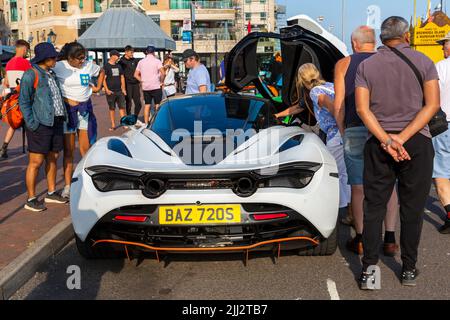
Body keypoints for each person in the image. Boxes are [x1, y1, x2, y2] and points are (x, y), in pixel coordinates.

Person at [355, 16, 440, 288]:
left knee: (374, 207)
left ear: (381, 38)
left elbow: (361, 109)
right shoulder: (425, 62)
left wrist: (386, 140)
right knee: (412, 209)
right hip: (416, 142)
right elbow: (432, 106)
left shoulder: (367, 66)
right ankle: (409, 269)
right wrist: (401, 138)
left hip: (379, 142)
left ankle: (369, 271)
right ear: (406, 36)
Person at [334, 26, 400, 257]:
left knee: (359, 186)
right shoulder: (389, 61)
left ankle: (361, 238)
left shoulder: (344, 64)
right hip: (386, 129)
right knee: (389, 183)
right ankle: (390, 238)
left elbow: (339, 104)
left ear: (354, 43)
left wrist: (343, 130)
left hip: (356, 127)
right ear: (373, 42)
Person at [275, 63, 351, 210]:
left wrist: (341, 130)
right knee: (345, 172)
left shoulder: (315, 92)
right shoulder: (329, 85)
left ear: (301, 79)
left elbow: (333, 105)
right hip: (344, 132)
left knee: (336, 173)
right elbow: (298, 107)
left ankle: (340, 207)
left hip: (336, 134)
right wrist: (279, 114)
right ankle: (348, 207)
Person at [19, 42, 68, 211]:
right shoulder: (30, 75)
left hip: (55, 121)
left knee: (53, 157)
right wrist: (32, 123)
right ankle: (31, 199)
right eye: (53, 57)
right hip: (40, 124)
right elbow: (24, 102)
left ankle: (51, 192)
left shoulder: (51, 73)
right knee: (36, 161)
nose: (55, 59)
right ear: (45, 58)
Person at [53, 42, 105, 199]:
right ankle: (68, 186)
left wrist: (97, 87)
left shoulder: (89, 66)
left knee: (85, 149)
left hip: (84, 111)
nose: (82, 61)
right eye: (79, 59)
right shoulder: (59, 66)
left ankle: (87, 183)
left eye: (84, 58)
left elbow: (101, 71)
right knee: (68, 151)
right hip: (68, 113)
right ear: (70, 57)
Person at [0, 40, 31, 160]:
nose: (26, 52)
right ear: (23, 49)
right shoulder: (26, 63)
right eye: (26, 50)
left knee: (14, 123)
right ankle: (33, 146)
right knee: (29, 121)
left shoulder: (9, 63)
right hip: (23, 96)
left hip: (13, 98)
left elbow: (6, 82)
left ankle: (4, 147)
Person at [434, 32, 450, 234]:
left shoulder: (441, 67)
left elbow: (432, 99)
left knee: (440, 172)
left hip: (444, 125)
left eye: (444, 43)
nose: (442, 47)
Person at [134, 45, 165, 124]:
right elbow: (163, 73)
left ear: (146, 52)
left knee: (147, 105)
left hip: (146, 86)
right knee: (157, 105)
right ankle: (158, 121)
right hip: (156, 85)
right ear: (154, 52)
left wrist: (142, 80)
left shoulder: (141, 62)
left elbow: (135, 75)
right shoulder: (157, 61)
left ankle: (146, 123)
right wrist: (161, 81)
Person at [103, 50, 127, 131]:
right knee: (112, 108)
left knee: (122, 107)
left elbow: (122, 77)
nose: (118, 57)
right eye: (117, 56)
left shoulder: (119, 66)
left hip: (119, 91)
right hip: (111, 91)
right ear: (113, 56)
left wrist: (123, 88)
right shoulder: (106, 66)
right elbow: (103, 79)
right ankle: (113, 125)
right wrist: (107, 90)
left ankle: (124, 123)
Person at [118, 45, 142, 116]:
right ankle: (129, 117)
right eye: (131, 52)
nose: (132, 54)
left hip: (135, 84)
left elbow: (139, 71)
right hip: (127, 85)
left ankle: (135, 117)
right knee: (128, 103)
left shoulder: (135, 60)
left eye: (133, 52)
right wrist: (122, 87)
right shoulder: (121, 62)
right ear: (126, 52)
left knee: (138, 104)